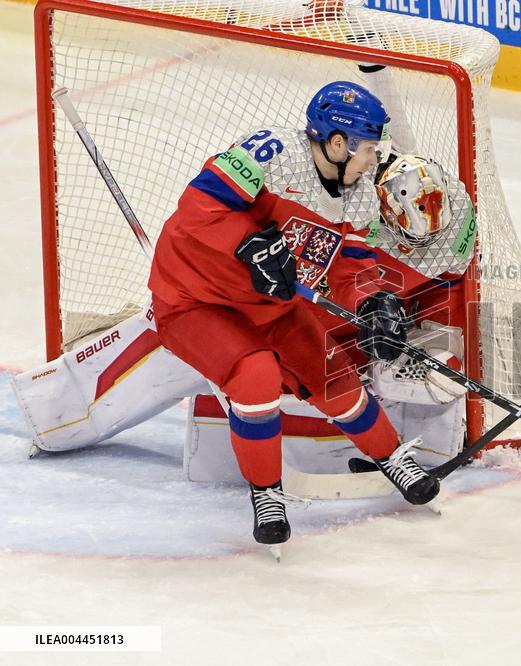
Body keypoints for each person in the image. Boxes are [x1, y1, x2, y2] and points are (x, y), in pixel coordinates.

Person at [147, 80, 440, 551]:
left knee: (333, 375)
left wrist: (374, 303)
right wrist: (247, 243)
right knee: (255, 374)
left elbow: (352, 264)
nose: (372, 161)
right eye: (368, 149)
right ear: (338, 143)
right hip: (195, 299)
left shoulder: (360, 194)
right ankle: (266, 493)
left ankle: (390, 457)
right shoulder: (270, 152)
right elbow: (198, 207)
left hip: (273, 304)